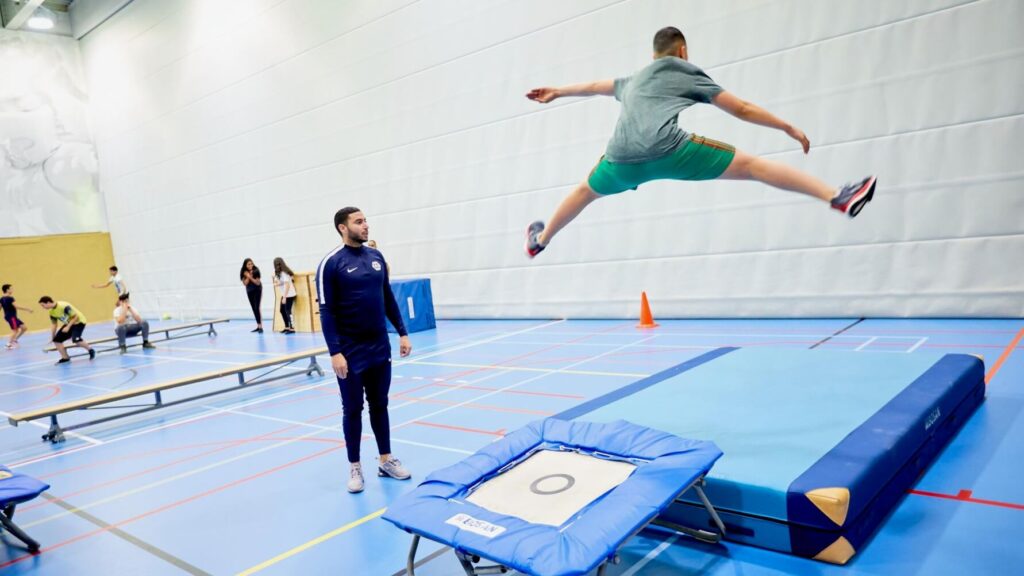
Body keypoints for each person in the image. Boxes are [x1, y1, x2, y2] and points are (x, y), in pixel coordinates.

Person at [523, 26, 877, 257]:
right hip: (670, 150)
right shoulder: (684, 70)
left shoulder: (634, 79)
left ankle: (540, 240)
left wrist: (559, 91)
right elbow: (741, 108)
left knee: (584, 191)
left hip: (622, 159)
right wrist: (787, 127)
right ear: (683, 51)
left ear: (652, 56)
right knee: (754, 167)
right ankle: (837, 197)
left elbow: (597, 86)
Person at [316, 207, 413, 494]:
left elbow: (387, 298)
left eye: (365, 220)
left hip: (379, 346)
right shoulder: (331, 263)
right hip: (349, 350)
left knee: (380, 404)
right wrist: (335, 352)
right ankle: (355, 466)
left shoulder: (376, 257)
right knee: (353, 409)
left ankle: (385, 459)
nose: (366, 225)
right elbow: (326, 311)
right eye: (358, 222)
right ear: (342, 228)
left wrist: (402, 332)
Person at [38, 296, 94, 364]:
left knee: (76, 339)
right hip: (69, 323)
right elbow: (54, 324)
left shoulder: (63, 306)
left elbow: (76, 317)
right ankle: (65, 358)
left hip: (79, 322)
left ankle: (91, 350)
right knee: (57, 340)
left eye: (43, 305)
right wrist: (52, 337)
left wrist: (68, 327)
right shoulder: (51, 312)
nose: (43, 307)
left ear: (48, 302)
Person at [2, 284, 33, 349]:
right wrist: (28, 309)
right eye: (11, 288)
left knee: (24, 328)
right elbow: (17, 307)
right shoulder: (10, 298)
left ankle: (15, 340)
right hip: (11, 317)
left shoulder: (2, 298)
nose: (12, 290)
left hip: (9, 316)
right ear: (7, 290)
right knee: (15, 330)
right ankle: (8, 344)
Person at [273, 257, 297, 334]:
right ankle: (287, 327)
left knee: (287, 311)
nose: (277, 266)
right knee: (282, 310)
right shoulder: (280, 273)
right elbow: (284, 282)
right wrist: (278, 283)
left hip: (289, 295)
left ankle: (292, 328)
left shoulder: (284, 273)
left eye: (278, 264)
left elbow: (287, 285)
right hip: (285, 295)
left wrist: (284, 297)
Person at [240, 258, 263, 333]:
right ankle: (258, 325)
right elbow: (245, 283)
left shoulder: (256, 270)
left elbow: (257, 283)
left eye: (251, 264)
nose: (250, 265)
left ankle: (260, 327)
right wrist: (247, 276)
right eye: (249, 264)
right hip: (249, 291)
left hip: (257, 290)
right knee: (253, 308)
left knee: (257, 307)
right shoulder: (243, 272)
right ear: (245, 265)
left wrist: (250, 276)